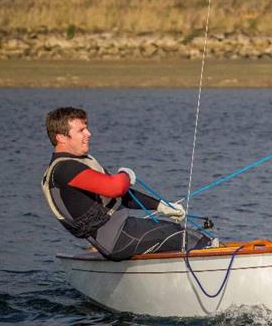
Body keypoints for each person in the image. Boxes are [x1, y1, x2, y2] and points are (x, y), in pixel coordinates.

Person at [41, 107, 214, 261]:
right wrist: (125, 174)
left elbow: (121, 196)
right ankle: (214, 257)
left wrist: (162, 206)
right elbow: (115, 188)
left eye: (87, 128)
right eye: (81, 130)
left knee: (173, 229)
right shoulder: (65, 168)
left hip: (118, 235)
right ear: (61, 138)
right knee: (184, 235)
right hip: (117, 239)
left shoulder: (76, 163)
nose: (89, 134)